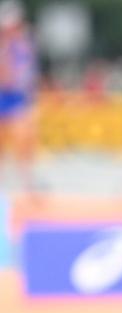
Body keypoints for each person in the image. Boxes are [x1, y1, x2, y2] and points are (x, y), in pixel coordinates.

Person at [0, 0, 36, 192]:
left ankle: (26, 183)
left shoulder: (23, 47)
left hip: (17, 99)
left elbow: (17, 79)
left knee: (23, 141)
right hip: (5, 98)